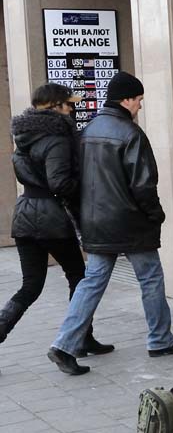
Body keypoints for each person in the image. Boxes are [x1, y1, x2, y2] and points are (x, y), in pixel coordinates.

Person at [47, 71, 173, 375]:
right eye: (139, 99)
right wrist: (155, 214)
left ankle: (63, 344)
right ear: (126, 99)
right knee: (151, 278)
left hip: (96, 222)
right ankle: (160, 340)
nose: (140, 105)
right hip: (131, 222)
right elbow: (143, 185)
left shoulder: (87, 132)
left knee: (92, 282)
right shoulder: (130, 134)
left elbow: (76, 180)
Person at [2, 84, 114, 364]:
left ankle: (83, 338)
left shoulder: (25, 135)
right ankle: (77, 340)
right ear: (54, 107)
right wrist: (86, 188)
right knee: (79, 277)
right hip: (50, 219)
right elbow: (60, 182)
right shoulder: (56, 138)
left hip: (26, 214)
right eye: (67, 104)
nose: (72, 108)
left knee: (31, 286)